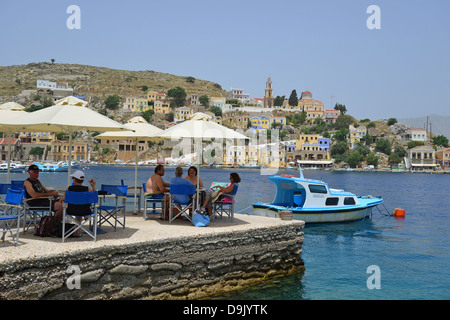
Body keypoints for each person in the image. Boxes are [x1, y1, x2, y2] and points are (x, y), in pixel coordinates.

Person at [59, 170, 96, 237]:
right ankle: (77, 232)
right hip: (86, 211)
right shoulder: (88, 188)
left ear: (74, 179)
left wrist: (61, 199)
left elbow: (63, 198)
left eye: (72, 178)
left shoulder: (69, 188)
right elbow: (93, 198)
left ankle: (73, 232)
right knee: (80, 208)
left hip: (71, 211)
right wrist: (93, 186)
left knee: (76, 208)